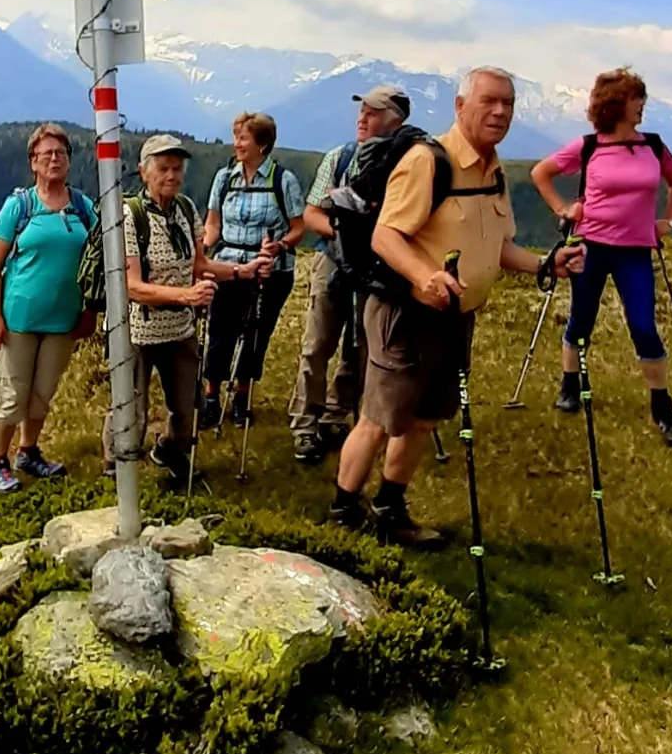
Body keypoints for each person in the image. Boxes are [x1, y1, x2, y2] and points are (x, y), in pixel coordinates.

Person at [332, 67, 584, 544]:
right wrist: (424, 277)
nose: (500, 112)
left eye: (508, 103)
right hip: (403, 314)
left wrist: (546, 266)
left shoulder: (493, 171)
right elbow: (387, 235)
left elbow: (497, 247)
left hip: (455, 317)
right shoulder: (429, 161)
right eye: (489, 101)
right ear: (459, 105)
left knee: (423, 418)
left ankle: (390, 508)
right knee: (379, 418)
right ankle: (343, 514)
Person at [530, 67, 672, 447]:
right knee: (581, 319)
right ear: (616, 104)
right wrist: (564, 210)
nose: (642, 106)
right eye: (637, 98)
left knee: (643, 325)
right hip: (592, 244)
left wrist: (669, 220)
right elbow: (542, 173)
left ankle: (661, 405)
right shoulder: (589, 146)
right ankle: (570, 385)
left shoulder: (653, 145)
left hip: (635, 249)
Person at [101, 134, 271, 484]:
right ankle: (116, 466)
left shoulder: (187, 209)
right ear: (144, 173)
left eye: (177, 169)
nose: (172, 176)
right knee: (132, 405)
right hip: (137, 330)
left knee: (187, 405)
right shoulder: (129, 216)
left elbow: (199, 265)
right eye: (163, 168)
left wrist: (243, 271)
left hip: (180, 329)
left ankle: (170, 450)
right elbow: (131, 287)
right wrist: (186, 297)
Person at [288, 85, 410, 465]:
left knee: (361, 346)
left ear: (395, 119)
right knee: (318, 343)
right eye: (362, 112)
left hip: (378, 264)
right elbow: (311, 213)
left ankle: (336, 414)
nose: (362, 118)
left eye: (372, 112)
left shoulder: (408, 162)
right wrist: (345, 235)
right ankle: (306, 423)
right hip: (332, 260)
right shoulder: (339, 157)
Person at [0, 122, 97, 494]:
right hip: (18, 319)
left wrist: (91, 309)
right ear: (33, 162)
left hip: (63, 320)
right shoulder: (19, 206)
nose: (54, 159)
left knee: (42, 391)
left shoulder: (83, 207)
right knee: (11, 392)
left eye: (61, 153)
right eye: (46, 154)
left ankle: (28, 452)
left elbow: (97, 257)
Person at [200, 111, 306, 429]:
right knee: (220, 330)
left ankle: (242, 398)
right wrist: (201, 254)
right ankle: (210, 398)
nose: (237, 145)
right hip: (229, 264)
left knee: (256, 333)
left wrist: (280, 246)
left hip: (269, 270)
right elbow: (213, 223)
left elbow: (298, 227)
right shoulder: (225, 178)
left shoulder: (282, 181)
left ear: (262, 143)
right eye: (236, 137)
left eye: (243, 138)